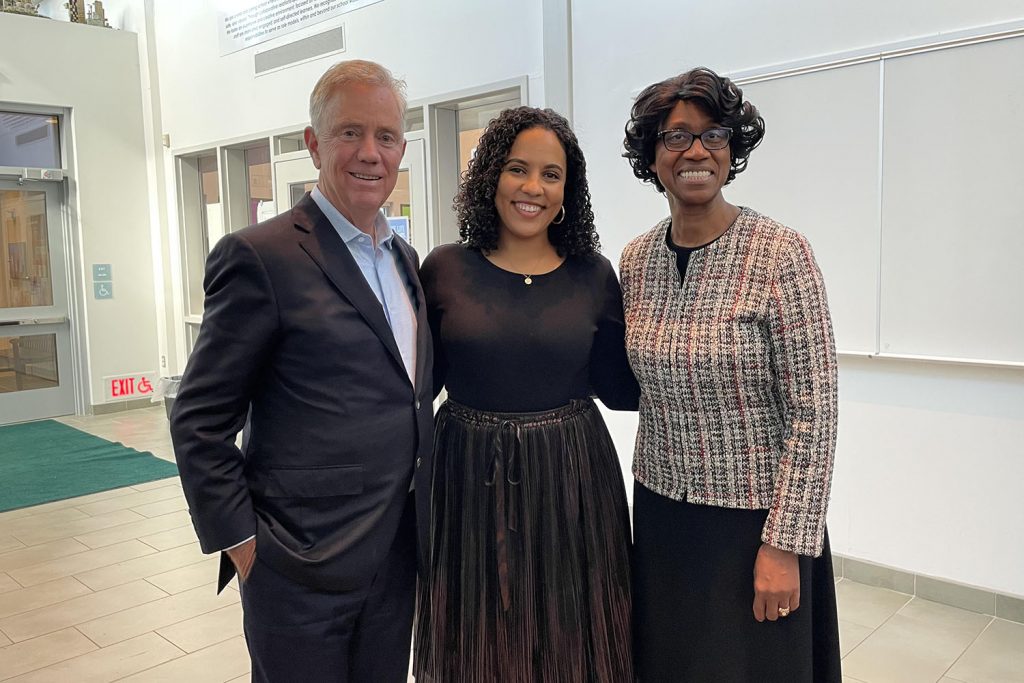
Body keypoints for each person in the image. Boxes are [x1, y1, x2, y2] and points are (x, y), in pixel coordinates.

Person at [169, 60, 433, 682]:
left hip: (395, 558)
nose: (370, 153)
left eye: (387, 137)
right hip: (298, 568)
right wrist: (245, 546)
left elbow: (403, 394)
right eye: (350, 133)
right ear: (314, 143)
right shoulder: (260, 256)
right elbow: (199, 420)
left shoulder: (404, 259)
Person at [620, 67, 842, 682]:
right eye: (675, 136)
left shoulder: (779, 252)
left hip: (755, 524)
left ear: (732, 149)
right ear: (652, 156)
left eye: (713, 134)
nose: (695, 150)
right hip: (664, 518)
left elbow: (814, 409)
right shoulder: (636, 260)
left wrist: (785, 544)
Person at [413, 107, 638, 682]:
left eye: (551, 174)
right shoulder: (444, 269)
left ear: (568, 191)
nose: (532, 188)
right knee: (475, 637)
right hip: (466, 475)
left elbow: (619, 389)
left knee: (572, 637)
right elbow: (413, 390)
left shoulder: (593, 274)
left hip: (573, 479)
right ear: (492, 176)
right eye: (518, 169)